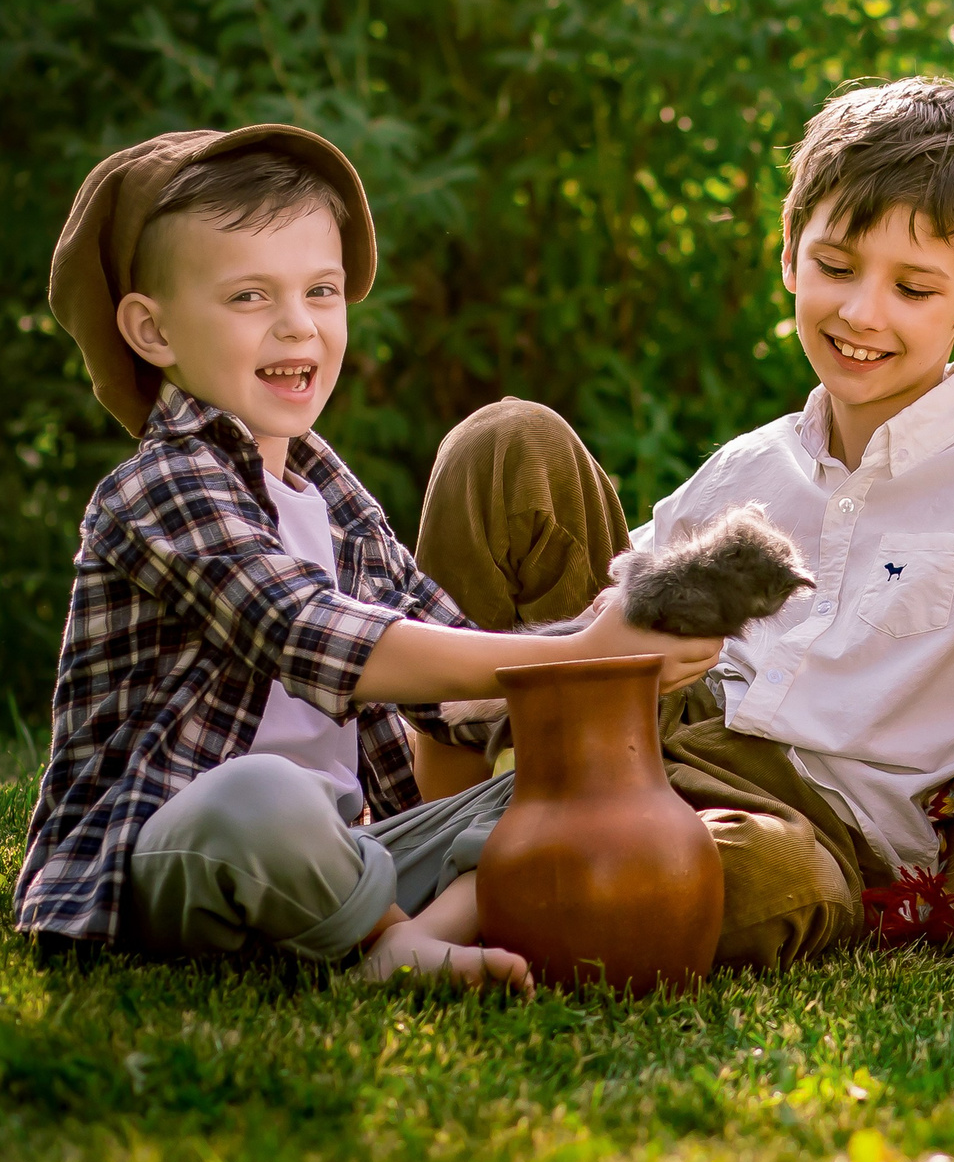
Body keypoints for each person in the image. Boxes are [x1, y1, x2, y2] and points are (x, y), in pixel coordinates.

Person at [410, 77, 954, 969]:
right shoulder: (748, 465)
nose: (863, 313)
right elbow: (611, 604)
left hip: (812, 824)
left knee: (762, 878)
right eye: (835, 267)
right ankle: (428, 822)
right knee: (507, 441)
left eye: (913, 288)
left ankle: (515, 874)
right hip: (647, 728)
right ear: (789, 255)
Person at [17, 126, 719, 989]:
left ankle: (405, 940)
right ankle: (392, 937)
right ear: (152, 330)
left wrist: (611, 653)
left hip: (350, 853)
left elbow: (453, 675)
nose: (298, 325)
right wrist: (574, 654)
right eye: (249, 297)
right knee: (261, 793)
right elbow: (309, 633)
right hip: (181, 854)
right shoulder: (159, 488)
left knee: (567, 778)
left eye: (322, 290)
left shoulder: (331, 495)